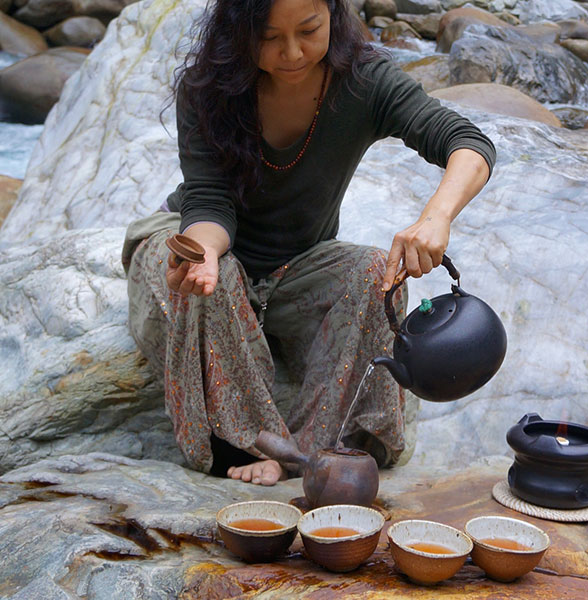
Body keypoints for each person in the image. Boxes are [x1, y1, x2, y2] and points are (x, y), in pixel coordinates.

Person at [121, 0, 495, 485]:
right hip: (196, 238)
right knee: (215, 280)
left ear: (334, 16)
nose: (292, 52)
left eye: (308, 29)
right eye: (269, 37)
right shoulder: (207, 88)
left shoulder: (363, 81)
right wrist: (204, 253)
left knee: (372, 273)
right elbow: (208, 202)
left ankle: (309, 451)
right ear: (238, 30)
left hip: (297, 268)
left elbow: (467, 141)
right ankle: (247, 445)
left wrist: (436, 217)